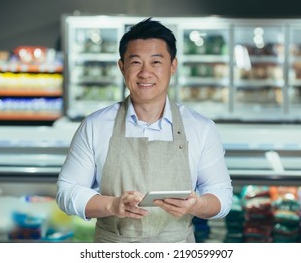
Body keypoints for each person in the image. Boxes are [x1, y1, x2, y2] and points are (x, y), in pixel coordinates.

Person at [56, 17, 233, 243]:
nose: (145, 73)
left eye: (156, 62)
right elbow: (67, 191)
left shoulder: (201, 128)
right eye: (136, 62)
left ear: (173, 66)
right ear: (122, 67)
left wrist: (197, 205)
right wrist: (112, 204)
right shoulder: (95, 125)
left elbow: (222, 196)